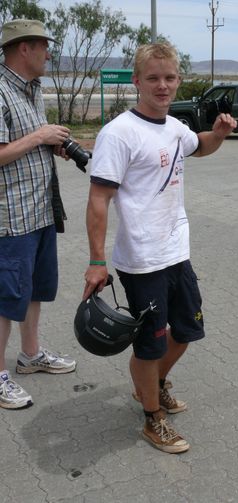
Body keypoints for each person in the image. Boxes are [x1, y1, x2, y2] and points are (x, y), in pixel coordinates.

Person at [82, 43, 237, 454]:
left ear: (178, 80)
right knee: (150, 343)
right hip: (141, 260)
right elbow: (99, 200)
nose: (162, 85)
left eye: (169, 78)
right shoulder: (118, 133)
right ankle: (153, 418)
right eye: (153, 78)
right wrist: (97, 261)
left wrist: (218, 135)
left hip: (177, 252)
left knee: (186, 332)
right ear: (136, 81)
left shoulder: (175, 126)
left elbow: (198, 145)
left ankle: (151, 385)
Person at [0, 19, 77, 410]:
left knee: (32, 291)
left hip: (40, 211)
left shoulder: (33, 90)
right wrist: (39, 138)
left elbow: (28, 146)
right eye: (44, 46)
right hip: (10, 218)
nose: (49, 52)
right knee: (5, 298)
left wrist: (53, 145)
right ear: (23, 49)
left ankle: (30, 356)